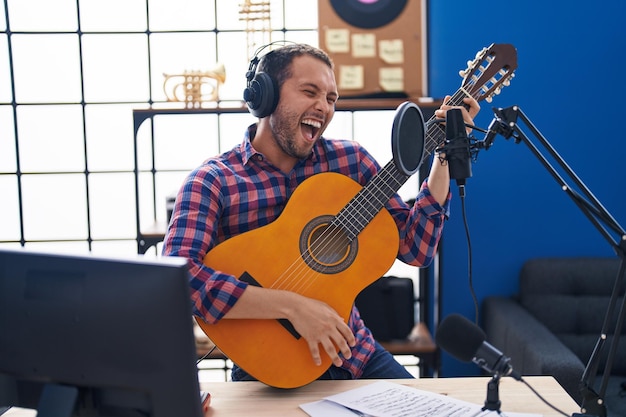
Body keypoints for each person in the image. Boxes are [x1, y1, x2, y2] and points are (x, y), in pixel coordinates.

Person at [162, 43, 480, 382]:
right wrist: (293, 308)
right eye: (309, 92)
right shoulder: (213, 181)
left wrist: (444, 156)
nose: (323, 107)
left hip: (356, 353)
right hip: (269, 368)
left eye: (331, 99)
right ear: (265, 96)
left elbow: (416, 250)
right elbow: (180, 281)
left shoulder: (350, 162)